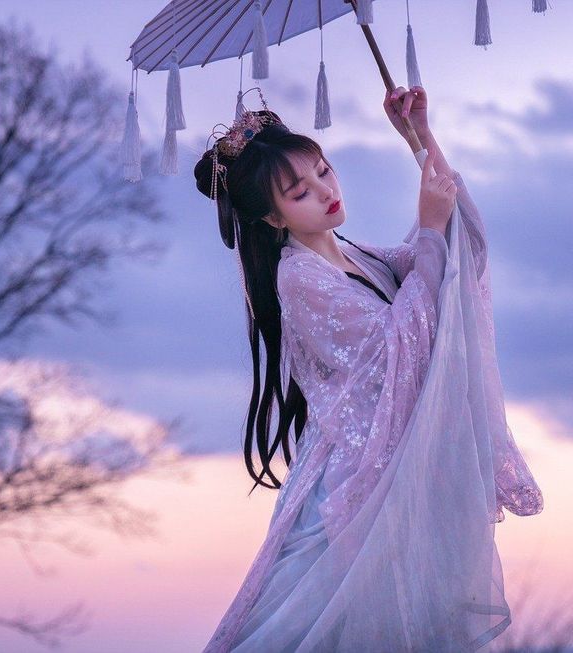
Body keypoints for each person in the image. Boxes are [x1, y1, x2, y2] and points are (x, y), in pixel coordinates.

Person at [194, 85, 543, 652]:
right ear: (272, 217)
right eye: (300, 191)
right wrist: (428, 229)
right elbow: (398, 346)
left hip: (392, 475)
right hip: (353, 492)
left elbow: (462, 252)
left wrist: (418, 138)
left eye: (324, 172)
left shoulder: (361, 257)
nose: (325, 191)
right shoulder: (301, 279)